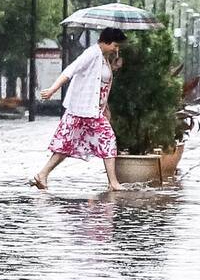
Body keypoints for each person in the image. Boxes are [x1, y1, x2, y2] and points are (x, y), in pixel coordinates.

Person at [30, 27, 127, 191]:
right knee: (107, 139)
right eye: (115, 45)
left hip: (92, 111)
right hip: (83, 109)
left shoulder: (103, 57)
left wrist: (105, 107)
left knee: (67, 145)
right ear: (106, 41)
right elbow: (70, 70)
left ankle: (42, 174)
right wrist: (53, 89)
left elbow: (101, 86)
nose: (116, 49)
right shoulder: (92, 54)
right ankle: (113, 182)